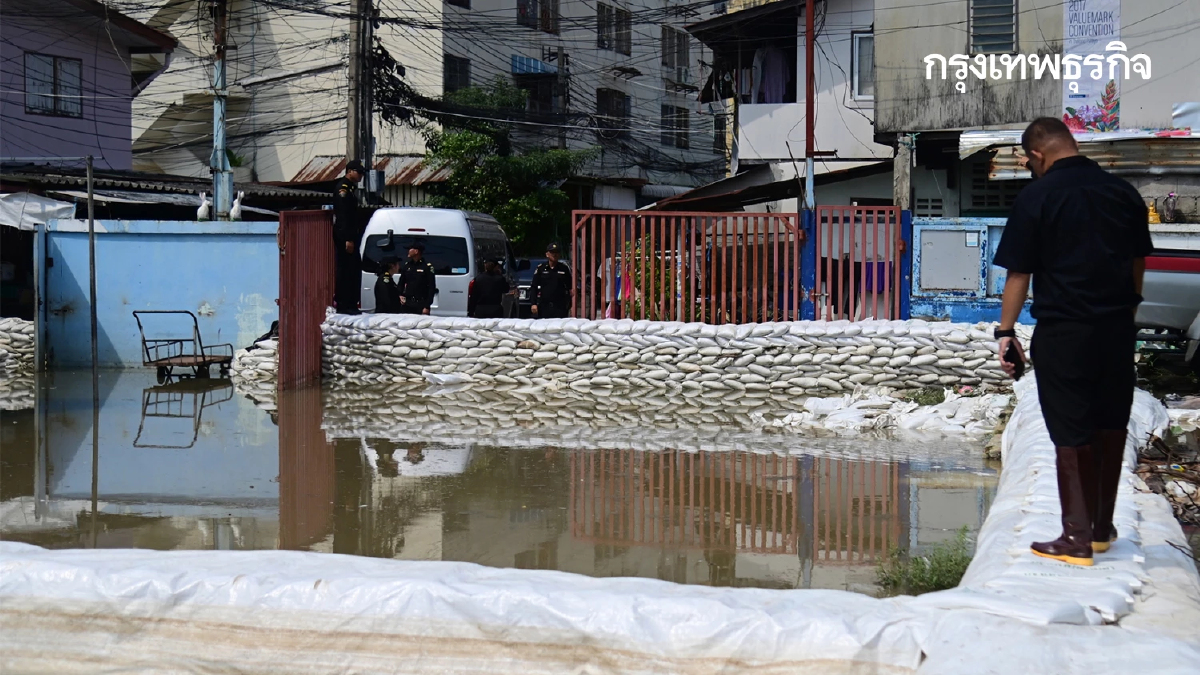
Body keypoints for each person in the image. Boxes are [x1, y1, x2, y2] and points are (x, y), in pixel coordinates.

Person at [992, 117, 1152, 568]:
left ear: (1037, 155)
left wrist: (1006, 332)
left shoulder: (1037, 197)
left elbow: (1019, 273)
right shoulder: (1124, 193)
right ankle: (1101, 530)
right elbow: (1139, 260)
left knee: (1071, 429)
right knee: (1110, 424)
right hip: (1118, 329)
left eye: (1028, 162)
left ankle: (1076, 538)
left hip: (1065, 331)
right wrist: (1128, 312)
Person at [332, 159, 366, 315]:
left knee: (352, 271)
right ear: (350, 171)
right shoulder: (343, 189)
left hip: (351, 236)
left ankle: (351, 303)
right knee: (345, 272)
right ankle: (344, 303)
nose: (360, 176)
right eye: (358, 173)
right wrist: (348, 239)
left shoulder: (351, 189)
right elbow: (343, 217)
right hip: (345, 238)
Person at [530, 243, 572, 318]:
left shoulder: (563, 269)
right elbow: (534, 287)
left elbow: (570, 288)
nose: (554, 255)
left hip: (560, 306)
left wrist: (570, 304)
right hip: (544, 306)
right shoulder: (541, 268)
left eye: (556, 253)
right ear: (547, 254)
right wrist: (534, 303)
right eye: (552, 252)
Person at [398, 241, 437, 315]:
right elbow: (401, 282)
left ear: (416, 251)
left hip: (421, 304)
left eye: (410, 249)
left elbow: (431, 287)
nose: (408, 251)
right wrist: (400, 295)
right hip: (407, 303)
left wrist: (427, 306)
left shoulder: (427, 267)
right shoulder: (407, 266)